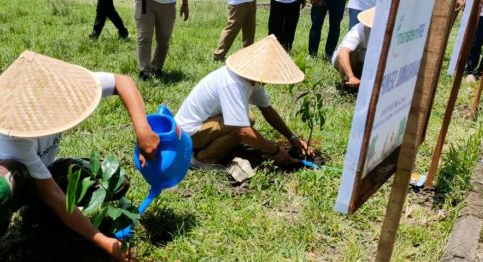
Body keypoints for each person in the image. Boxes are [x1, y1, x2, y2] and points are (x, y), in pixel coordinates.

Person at [0, 51, 160, 262]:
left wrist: (142, 128)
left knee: (109, 179)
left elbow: (122, 81)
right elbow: (52, 192)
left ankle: (39, 217)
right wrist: (102, 241)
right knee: (8, 178)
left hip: (37, 176)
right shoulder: (9, 133)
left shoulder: (64, 93)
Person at [176, 35, 314, 168]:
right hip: (187, 136)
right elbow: (243, 131)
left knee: (248, 118)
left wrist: (292, 138)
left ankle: (215, 147)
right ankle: (202, 159)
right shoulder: (232, 83)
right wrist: (275, 151)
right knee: (240, 128)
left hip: (204, 127)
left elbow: (268, 110)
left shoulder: (254, 79)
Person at [135, 0, 190, 80]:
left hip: (168, 4)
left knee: (164, 38)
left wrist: (185, 4)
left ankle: (156, 67)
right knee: (144, 37)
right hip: (145, 3)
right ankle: (144, 71)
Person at [331, 7, 372, 90]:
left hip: (364, 60)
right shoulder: (358, 30)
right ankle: (346, 82)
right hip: (346, 59)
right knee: (350, 52)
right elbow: (343, 53)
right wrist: (351, 76)